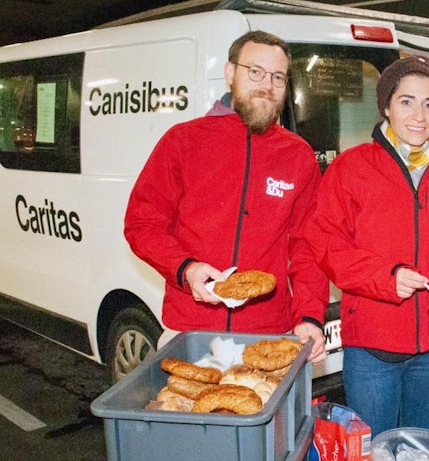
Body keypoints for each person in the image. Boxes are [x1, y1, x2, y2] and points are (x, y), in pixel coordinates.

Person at [303, 57, 429, 434]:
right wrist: (385, 277)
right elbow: (326, 244)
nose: (418, 115)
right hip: (372, 347)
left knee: (421, 445)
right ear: (386, 106)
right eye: (406, 102)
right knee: (377, 447)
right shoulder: (351, 168)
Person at [124, 31, 328, 362]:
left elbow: (309, 247)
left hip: (268, 335)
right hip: (190, 330)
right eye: (255, 72)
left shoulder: (297, 155)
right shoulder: (183, 141)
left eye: (278, 77)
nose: (267, 85)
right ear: (230, 73)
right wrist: (186, 269)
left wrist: (309, 316)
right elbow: (142, 225)